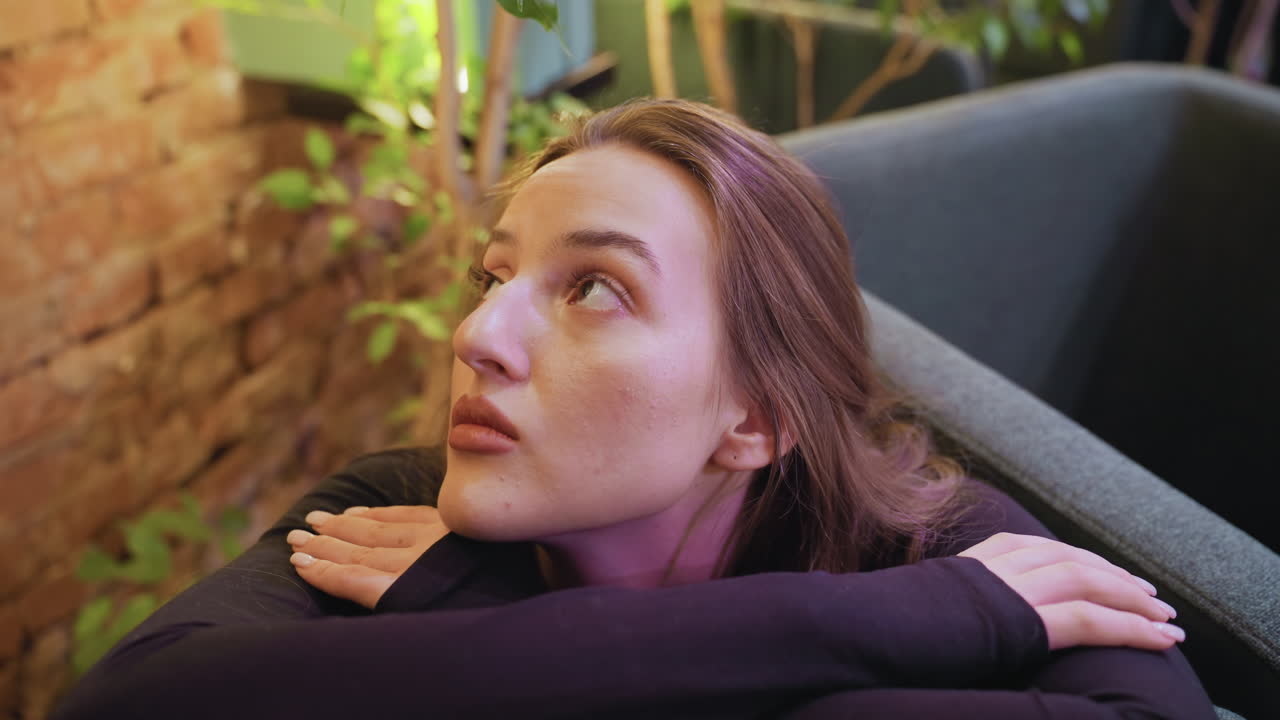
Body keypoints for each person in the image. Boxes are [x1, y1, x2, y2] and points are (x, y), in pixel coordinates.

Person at [52, 98, 1215, 720]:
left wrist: (455, 633)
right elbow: (136, 702)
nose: (476, 336)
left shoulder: (942, 543)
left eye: (592, 290)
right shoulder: (394, 510)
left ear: (754, 416)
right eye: (493, 277)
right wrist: (883, 629)